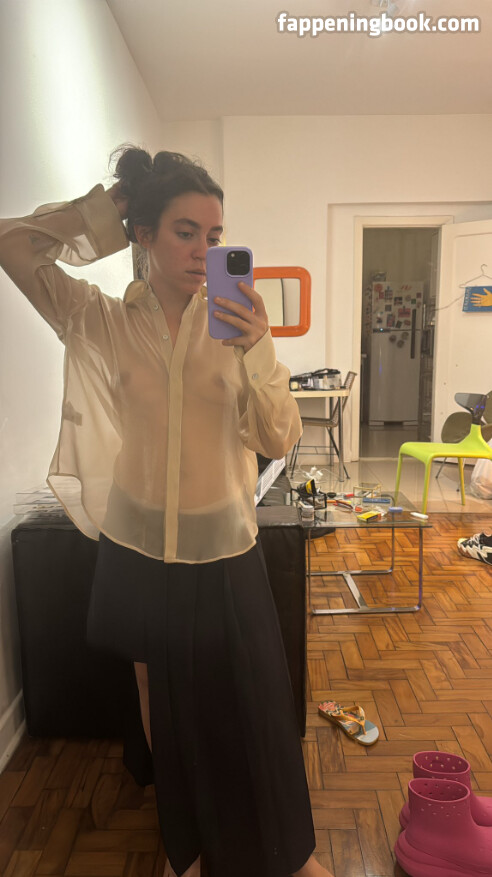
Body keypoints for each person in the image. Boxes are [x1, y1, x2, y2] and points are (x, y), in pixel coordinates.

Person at [0, 146, 336, 877]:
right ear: (146, 235)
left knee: (254, 700)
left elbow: (279, 438)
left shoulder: (236, 325)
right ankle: (185, 845)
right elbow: (13, 244)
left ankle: (289, 852)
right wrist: (106, 211)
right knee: (161, 698)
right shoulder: (99, 319)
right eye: (185, 231)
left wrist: (257, 350)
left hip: (225, 544)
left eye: (214, 236)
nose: (202, 250)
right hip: (137, 542)